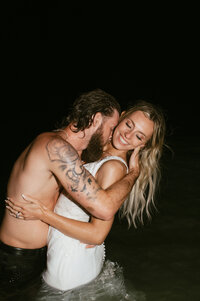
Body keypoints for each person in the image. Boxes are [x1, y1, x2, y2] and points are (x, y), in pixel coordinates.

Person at [6, 100, 166, 294]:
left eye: (138, 136)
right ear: (122, 117)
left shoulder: (114, 167)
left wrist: (43, 214)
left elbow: (97, 235)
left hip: (70, 259)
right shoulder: (94, 151)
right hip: (56, 249)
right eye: (128, 125)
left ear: (143, 145)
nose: (127, 135)